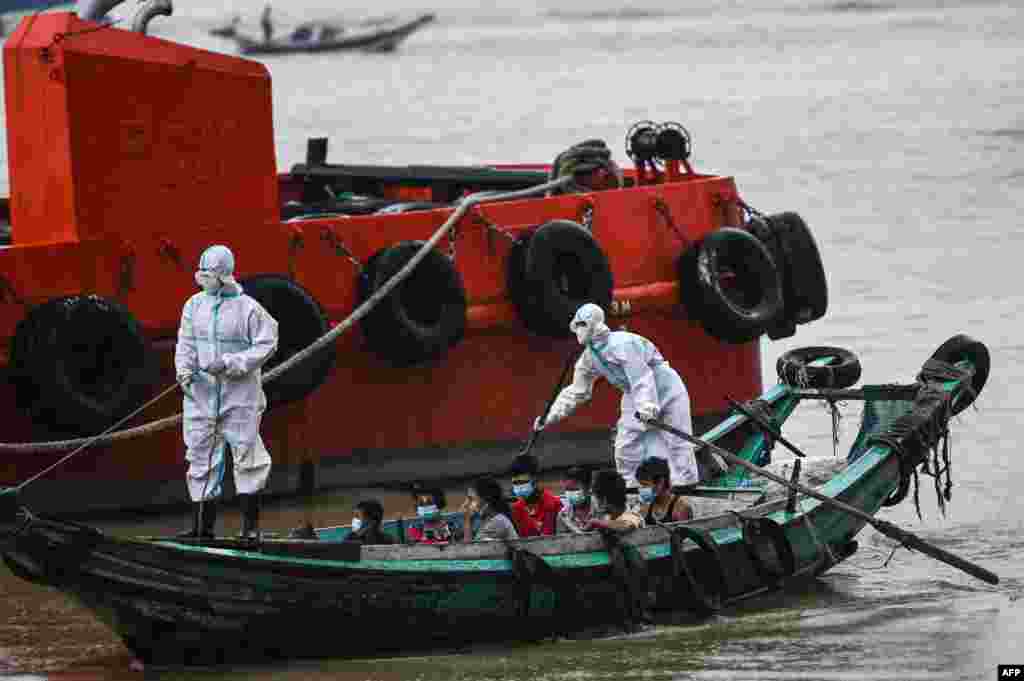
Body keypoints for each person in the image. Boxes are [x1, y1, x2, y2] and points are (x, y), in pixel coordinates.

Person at [534, 302, 699, 489]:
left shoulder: (622, 343)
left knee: (677, 437)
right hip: (631, 391)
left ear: (594, 325)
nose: (578, 330)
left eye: (582, 325)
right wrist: (550, 416)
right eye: (576, 325)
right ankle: (631, 485)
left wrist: (646, 406)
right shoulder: (589, 357)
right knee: (625, 442)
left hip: (665, 385)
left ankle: (686, 483)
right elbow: (577, 391)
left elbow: (642, 376)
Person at [175, 245, 279, 539]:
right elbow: (185, 344)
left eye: (209, 273)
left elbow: (267, 343)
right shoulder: (194, 306)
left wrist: (232, 362)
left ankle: (250, 529)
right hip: (200, 395)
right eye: (201, 272)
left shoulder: (249, 309)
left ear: (223, 275)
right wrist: (184, 371)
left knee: (248, 456)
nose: (203, 278)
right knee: (199, 456)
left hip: (240, 396)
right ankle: (201, 529)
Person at [508, 453, 563, 537]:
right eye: (515, 483)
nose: (519, 487)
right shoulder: (516, 508)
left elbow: (547, 539)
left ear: (535, 480)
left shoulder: (552, 504)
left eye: (523, 482)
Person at [635, 456, 693, 526]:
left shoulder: (681, 508)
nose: (641, 489)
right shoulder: (645, 506)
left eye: (645, 485)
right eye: (640, 485)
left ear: (660, 482)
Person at [460, 476, 519, 542]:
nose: (465, 504)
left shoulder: (497, 522)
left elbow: (470, 550)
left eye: (471, 499)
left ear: (486, 499)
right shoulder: (487, 520)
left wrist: (467, 521)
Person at [556, 466, 596, 534]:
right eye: (567, 490)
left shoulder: (600, 508)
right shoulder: (563, 515)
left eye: (574, 489)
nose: (570, 493)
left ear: (588, 487)